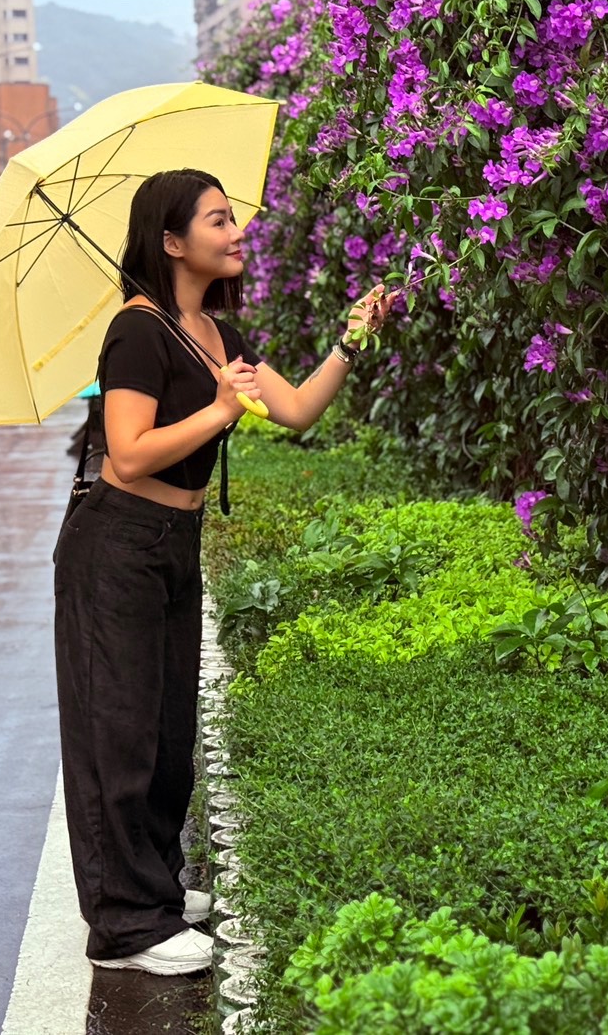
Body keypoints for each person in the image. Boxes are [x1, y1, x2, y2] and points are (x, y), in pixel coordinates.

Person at [53, 169, 393, 975]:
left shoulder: (216, 331)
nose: (236, 231)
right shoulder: (136, 332)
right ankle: (123, 927)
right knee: (119, 733)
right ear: (171, 241)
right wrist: (217, 409)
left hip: (174, 538)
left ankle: (155, 889)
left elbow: (296, 409)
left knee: (169, 730)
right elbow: (128, 455)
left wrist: (352, 340)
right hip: (117, 543)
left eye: (232, 217)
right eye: (217, 220)